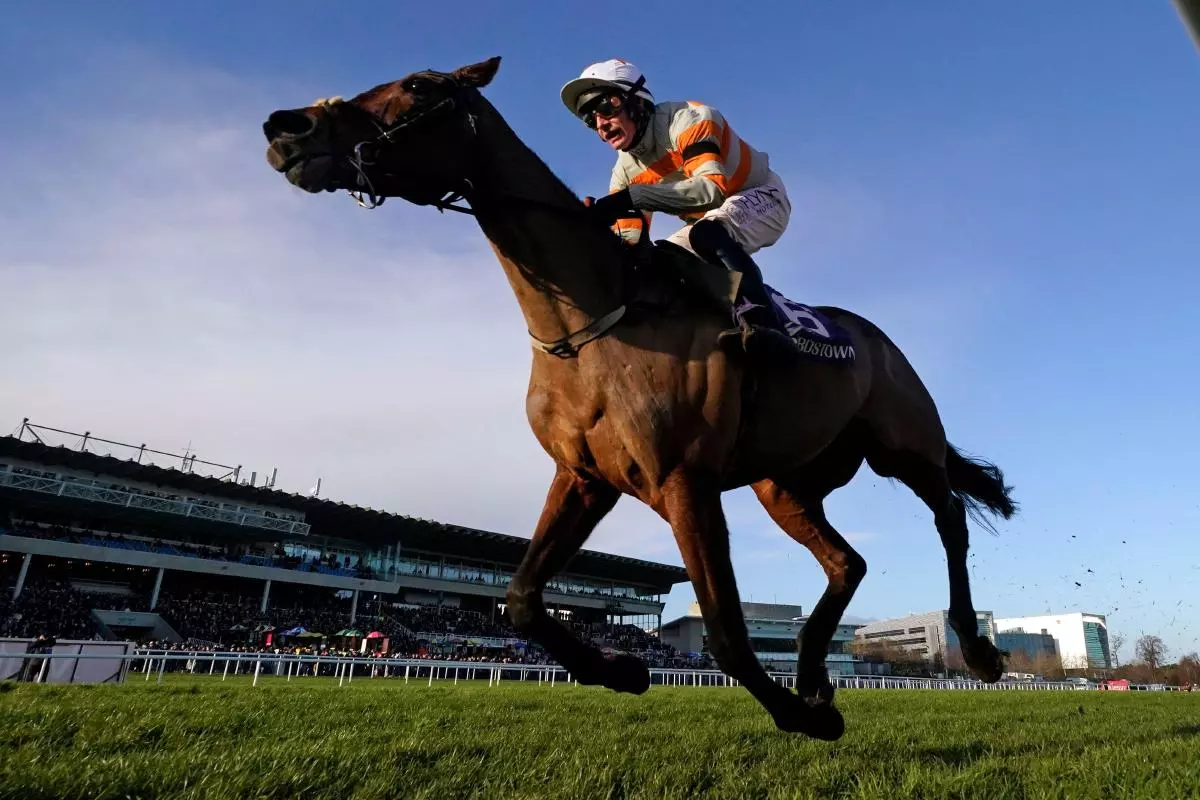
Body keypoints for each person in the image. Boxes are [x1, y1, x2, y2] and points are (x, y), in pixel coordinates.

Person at [560, 58, 799, 361]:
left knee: (706, 232)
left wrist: (632, 198)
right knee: (661, 260)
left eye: (607, 106)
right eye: (589, 118)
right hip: (711, 222)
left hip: (762, 196)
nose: (600, 125)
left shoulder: (689, 119)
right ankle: (722, 314)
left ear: (637, 101)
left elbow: (711, 190)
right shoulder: (623, 173)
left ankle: (766, 324)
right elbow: (629, 245)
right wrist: (589, 229)